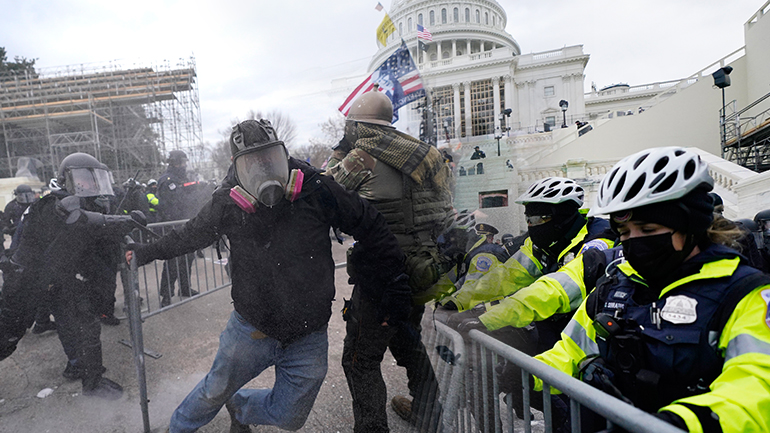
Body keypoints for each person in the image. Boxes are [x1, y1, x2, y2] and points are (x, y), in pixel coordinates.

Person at [126, 119, 411, 433]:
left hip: (308, 334)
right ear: (237, 168)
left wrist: (392, 284)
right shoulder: (227, 203)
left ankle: (241, 407)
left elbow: (371, 224)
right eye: (253, 163)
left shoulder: (318, 189)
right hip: (250, 328)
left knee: (291, 417)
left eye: (270, 158)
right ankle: (176, 428)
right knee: (212, 391)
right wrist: (144, 252)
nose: (264, 169)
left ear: (284, 155)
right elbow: (186, 237)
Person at [518, 147, 770, 432]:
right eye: (624, 233)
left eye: (648, 230)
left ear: (690, 226)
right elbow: (570, 352)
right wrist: (522, 374)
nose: (634, 242)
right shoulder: (613, 288)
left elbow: (756, 386)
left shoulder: (746, 295)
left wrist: (678, 423)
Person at [325, 89, 453, 433]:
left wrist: (339, 151)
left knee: (360, 359)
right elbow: (446, 209)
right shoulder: (427, 154)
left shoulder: (362, 155)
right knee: (406, 337)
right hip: (426, 268)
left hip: (384, 270)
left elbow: (330, 192)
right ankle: (429, 415)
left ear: (356, 125)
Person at [0, 152, 145, 399]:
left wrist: (126, 223)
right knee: (8, 336)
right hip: (27, 281)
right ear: (67, 179)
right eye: (84, 179)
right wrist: (122, 220)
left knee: (85, 326)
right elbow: (82, 221)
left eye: (94, 179)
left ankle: (91, 380)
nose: (90, 184)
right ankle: (86, 373)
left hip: (58, 280)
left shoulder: (84, 203)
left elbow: (92, 236)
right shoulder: (54, 204)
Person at [156, 150, 199, 307]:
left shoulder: (181, 178)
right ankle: (166, 294)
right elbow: (175, 203)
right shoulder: (167, 180)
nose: (184, 165)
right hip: (173, 225)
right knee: (173, 261)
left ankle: (185, 288)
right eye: (181, 162)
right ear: (174, 163)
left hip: (185, 224)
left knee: (188, 257)